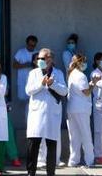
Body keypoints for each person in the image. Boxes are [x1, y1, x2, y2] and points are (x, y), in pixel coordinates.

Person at [25, 48, 67, 176]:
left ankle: (50, 173)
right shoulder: (33, 73)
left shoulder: (58, 73)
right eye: (38, 58)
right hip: (36, 114)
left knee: (51, 145)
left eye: (42, 58)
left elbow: (65, 91)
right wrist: (41, 84)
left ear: (50, 59)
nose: (40, 61)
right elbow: (28, 90)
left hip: (52, 113)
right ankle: (31, 172)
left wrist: (53, 84)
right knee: (33, 145)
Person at [66, 54, 95, 168]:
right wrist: (93, 84)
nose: (85, 64)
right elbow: (86, 92)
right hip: (81, 109)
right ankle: (90, 160)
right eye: (83, 61)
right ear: (79, 62)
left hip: (72, 108)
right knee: (86, 134)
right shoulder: (81, 76)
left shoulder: (71, 74)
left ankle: (73, 160)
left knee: (74, 136)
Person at [13, 36, 39, 102]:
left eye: (34, 45)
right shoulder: (20, 52)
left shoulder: (38, 53)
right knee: (23, 100)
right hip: (23, 81)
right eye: (30, 45)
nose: (32, 47)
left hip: (34, 81)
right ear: (27, 44)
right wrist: (25, 65)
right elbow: (14, 65)